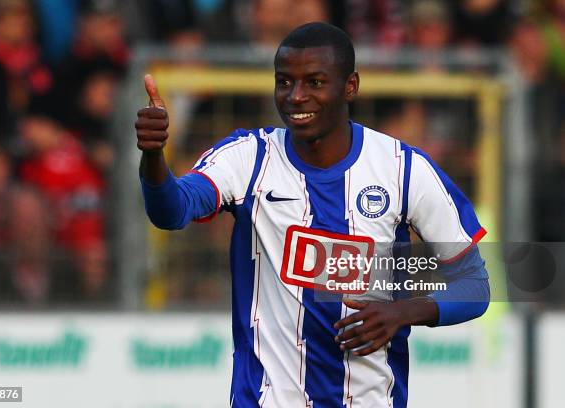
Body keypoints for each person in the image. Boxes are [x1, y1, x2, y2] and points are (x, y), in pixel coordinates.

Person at [136, 22, 490, 407]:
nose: (296, 96)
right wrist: (154, 156)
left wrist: (402, 312)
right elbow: (172, 211)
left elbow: (474, 285)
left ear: (350, 86)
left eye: (315, 83)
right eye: (284, 82)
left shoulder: (404, 169)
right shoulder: (249, 157)